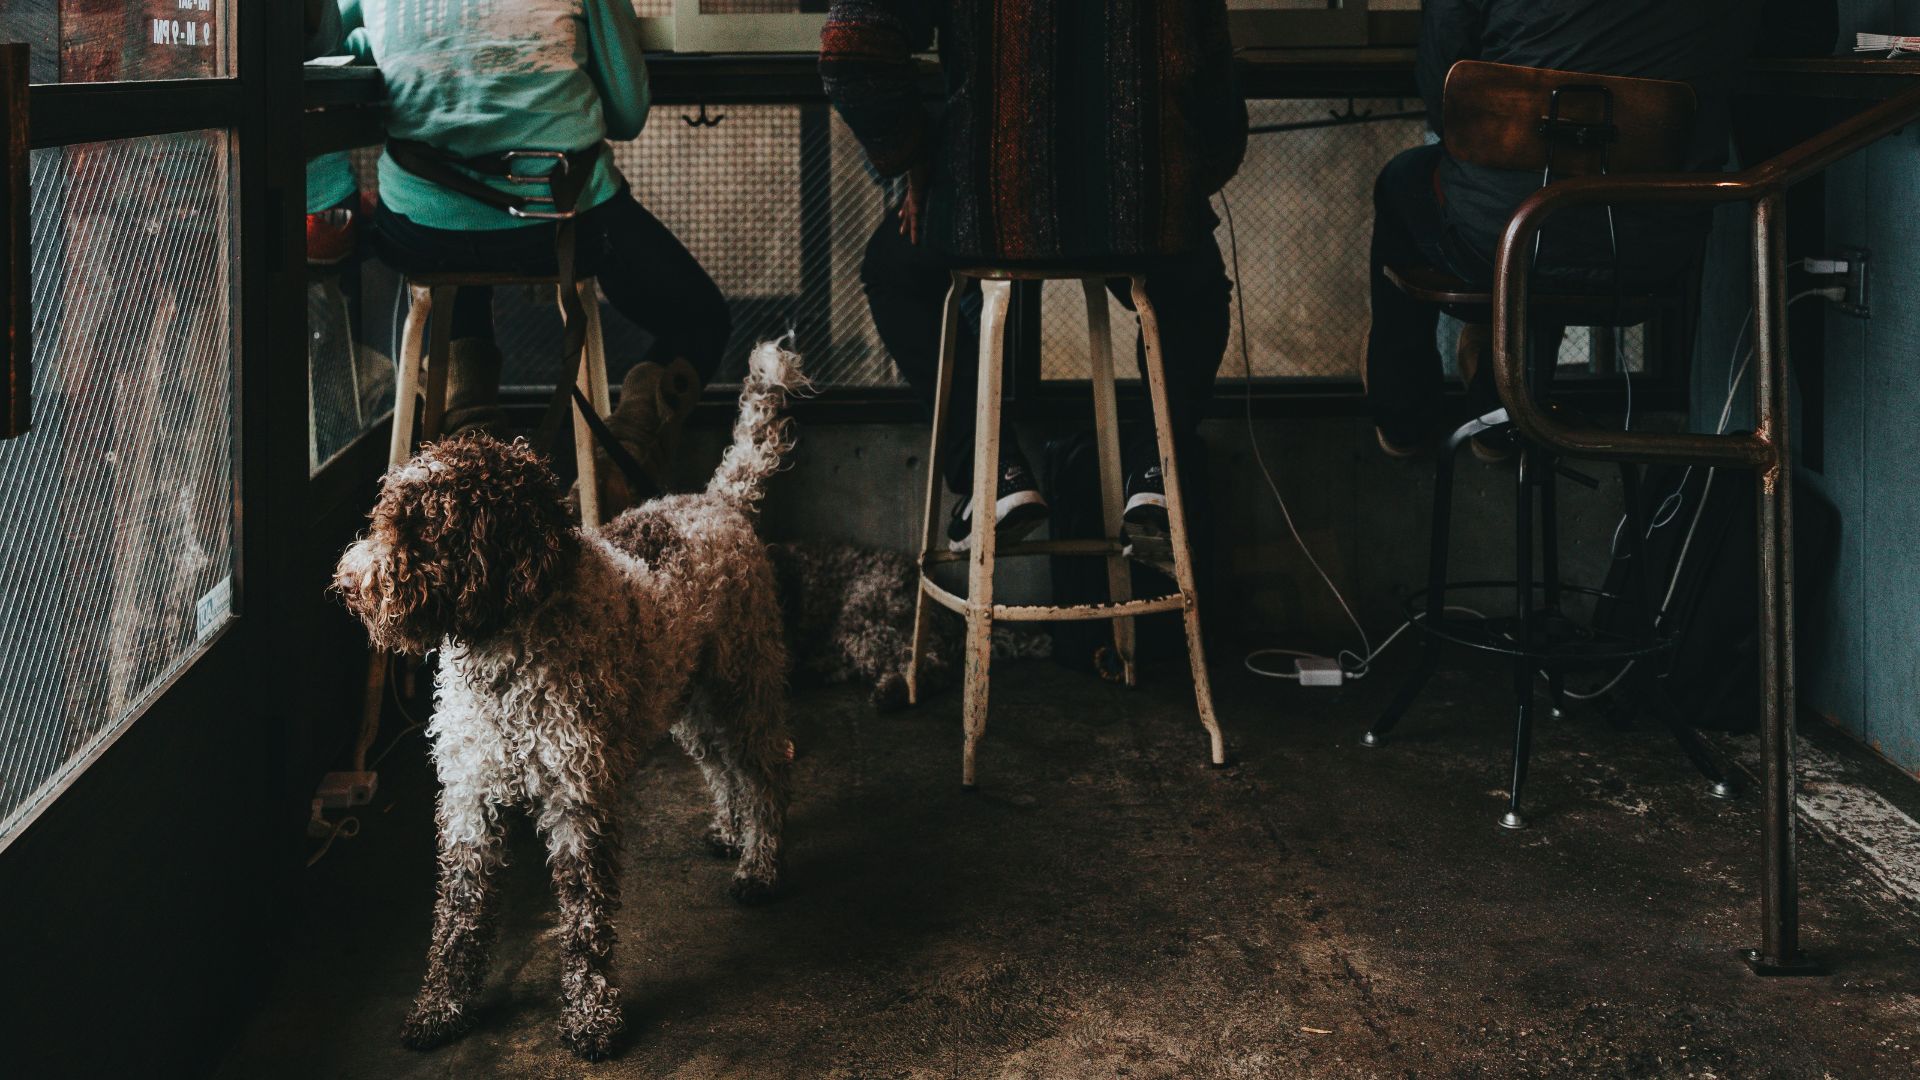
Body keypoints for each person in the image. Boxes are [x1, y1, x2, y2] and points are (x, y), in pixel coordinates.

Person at [821, 0, 1246, 551]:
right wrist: (1180, 177)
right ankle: (1158, 468)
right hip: (1138, 206)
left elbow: (852, 44)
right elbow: (1215, 90)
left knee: (894, 271)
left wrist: (916, 154)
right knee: (1192, 288)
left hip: (990, 204)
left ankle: (990, 474)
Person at [341, 0, 731, 504]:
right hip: (563, 224)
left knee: (456, 266)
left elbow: (335, 46)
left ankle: (472, 465)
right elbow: (628, 113)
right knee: (701, 318)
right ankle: (616, 471)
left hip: (424, 230)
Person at [1365, 0, 1755, 458]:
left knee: (1408, 184)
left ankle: (1404, 414)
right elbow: (1806, 33)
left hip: (1500, 237)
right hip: (1653, 253)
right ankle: (1504, 404)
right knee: (1563, 204)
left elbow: (1444, 92)